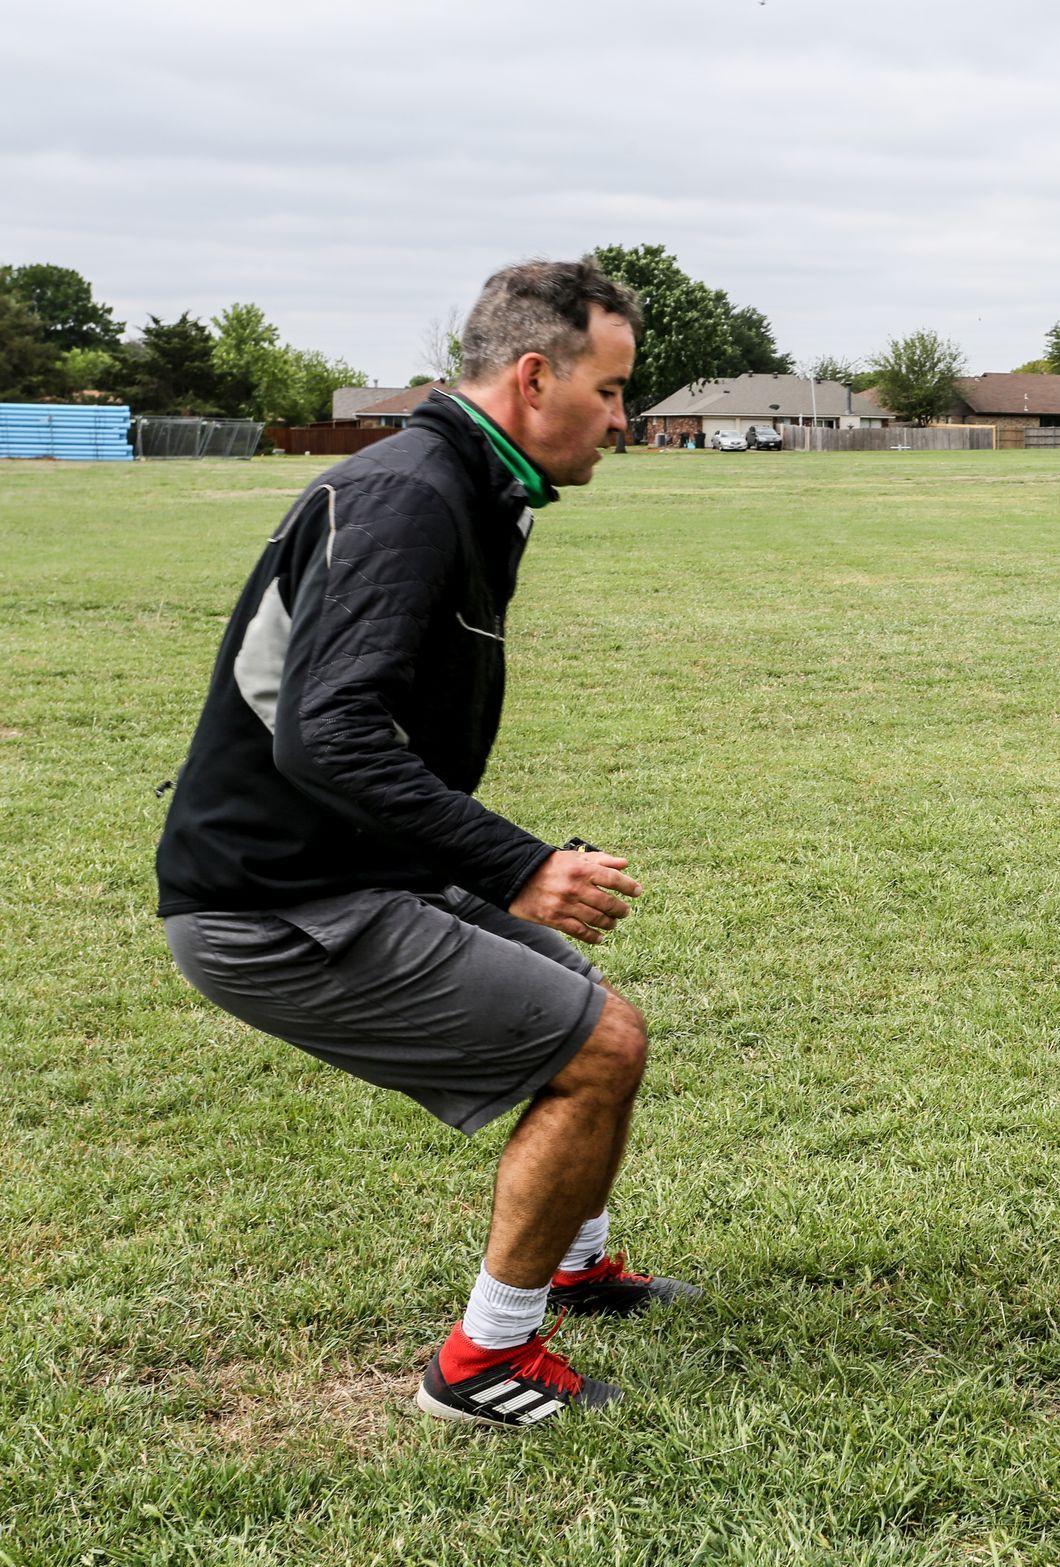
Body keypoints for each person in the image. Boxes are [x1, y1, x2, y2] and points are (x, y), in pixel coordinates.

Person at [156, 258, 697, 1430]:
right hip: (273, 903)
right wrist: (515, 864)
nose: (623, 423)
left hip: (338, 872)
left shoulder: (466, 479)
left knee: (578, 998)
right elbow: (328, 732)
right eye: (610, 393)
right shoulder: (414, 490)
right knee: (599, 1046)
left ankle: (571, 1264)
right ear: (535, 374)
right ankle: (480, 1365)